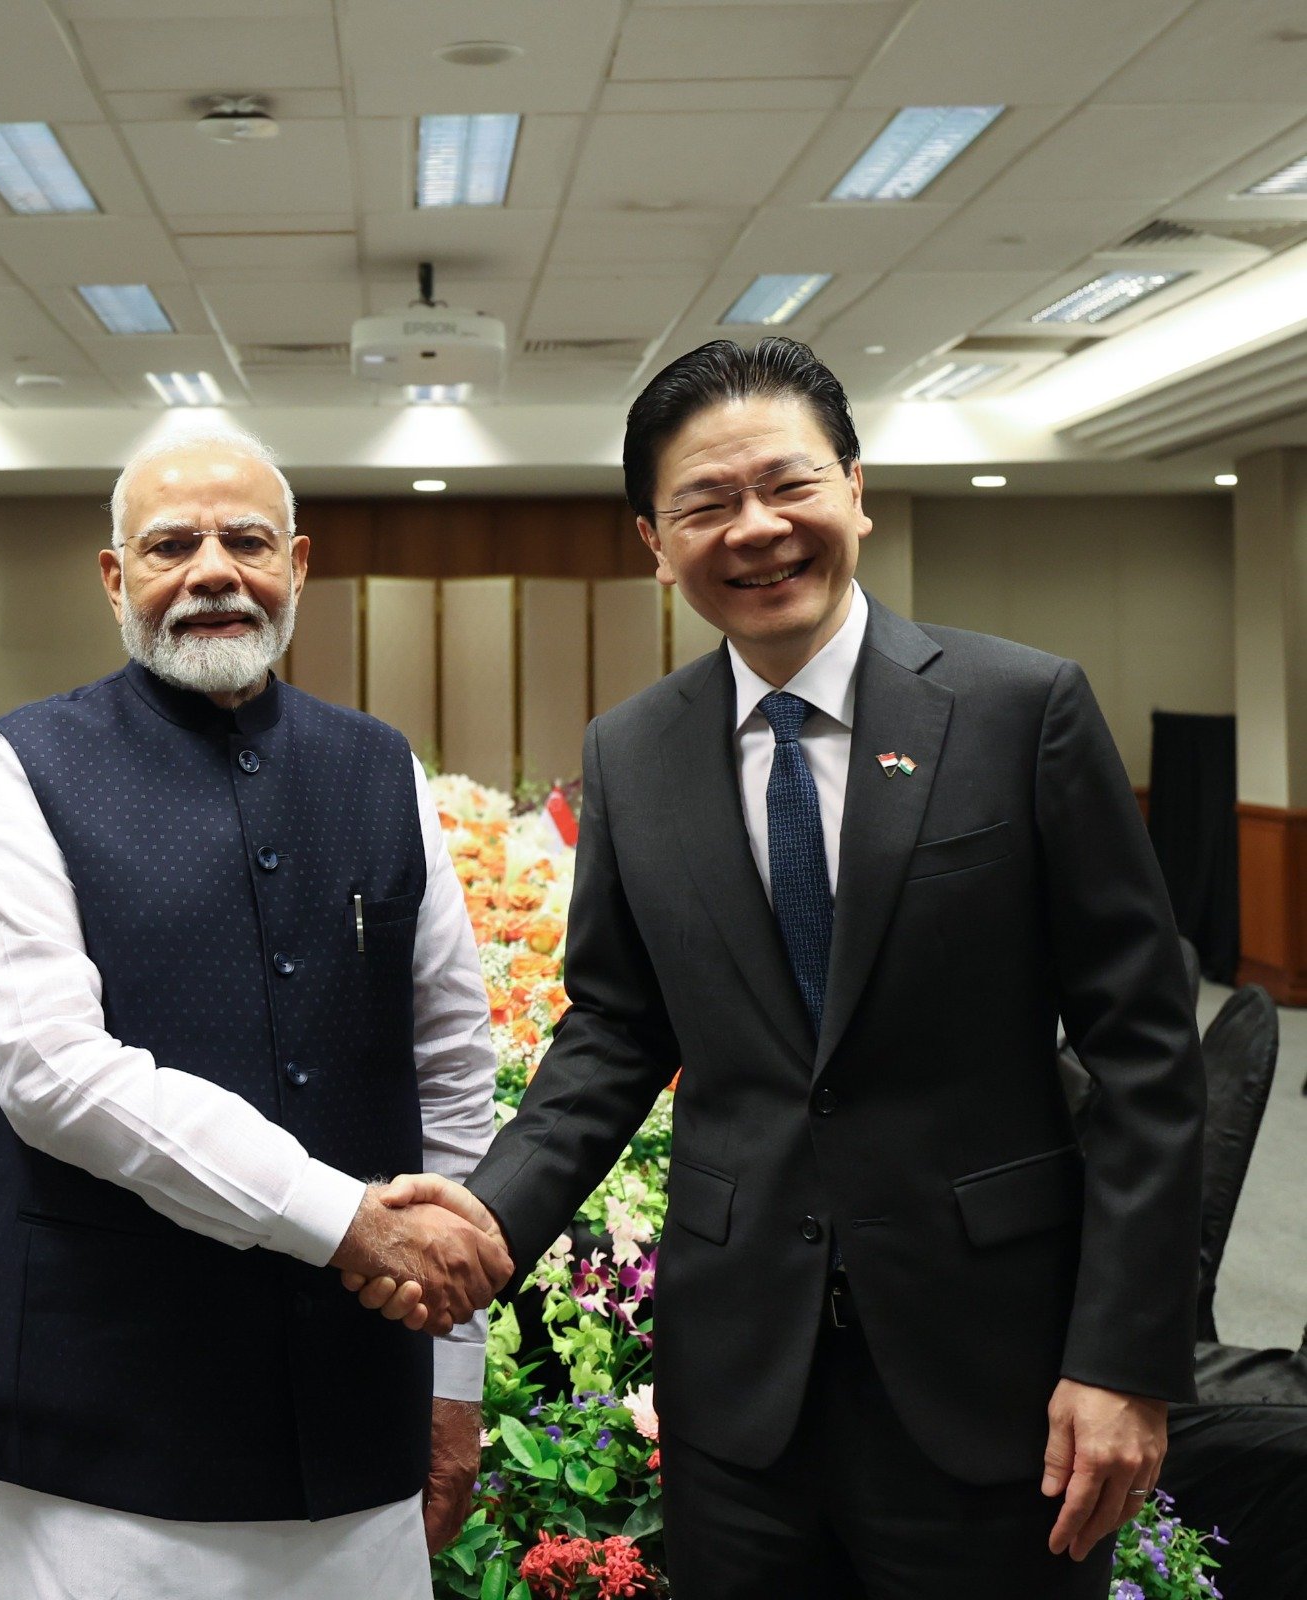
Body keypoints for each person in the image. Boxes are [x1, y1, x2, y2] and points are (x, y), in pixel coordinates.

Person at [350, 339, 1206, 1598]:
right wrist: (490, 1215)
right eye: (705, 503)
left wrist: (1124, 1359)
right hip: (741, 1384)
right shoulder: (634, 751)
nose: (754, 529)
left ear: (854, 489)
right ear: (655, 540)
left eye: (787, 485)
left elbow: (1143, 1054)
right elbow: (614, 1030)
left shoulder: (1022, 710)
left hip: (994, 1372)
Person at [0, 422, 510, 1600]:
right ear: (115, 578)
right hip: (89, 1443)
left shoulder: (378, 766)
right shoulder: (23, 764)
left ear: (297, 566)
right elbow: (51, 1071)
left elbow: (452, 1062)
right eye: (170, 543)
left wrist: (454, 1377)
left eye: (246, 539)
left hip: (355, 1421)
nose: (212, 568)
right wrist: (341, 1216)